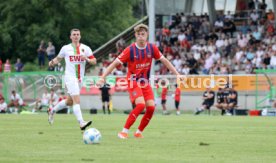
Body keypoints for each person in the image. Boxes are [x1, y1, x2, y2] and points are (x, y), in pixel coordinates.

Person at [96, 24, 182, 139]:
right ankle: (123, 132)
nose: (141, 36)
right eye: (139, 34)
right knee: (141, 105)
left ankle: (138, 132)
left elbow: (165, 61)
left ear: (147, 35)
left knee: (151, 108)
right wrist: (103, 77)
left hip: (145, 82)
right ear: (135, 35)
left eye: (143, 34)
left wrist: (177, 74)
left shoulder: (152, 48)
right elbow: (115, 63)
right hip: (132, 81)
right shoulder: (130, 50)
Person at [48, 28, 97, 130]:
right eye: (74, 34)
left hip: (80, 78)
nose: (76, 36)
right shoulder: (66, 48)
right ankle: (81, 122)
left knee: (70, 101)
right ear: (70, 37)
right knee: (76, 100)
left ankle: (52, 110)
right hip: (70, 77)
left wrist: (87, 59)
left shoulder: (85, 48)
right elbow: (58, 59)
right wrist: (52, 62)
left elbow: (94, 61)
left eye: (77, 34)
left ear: (80, 36)